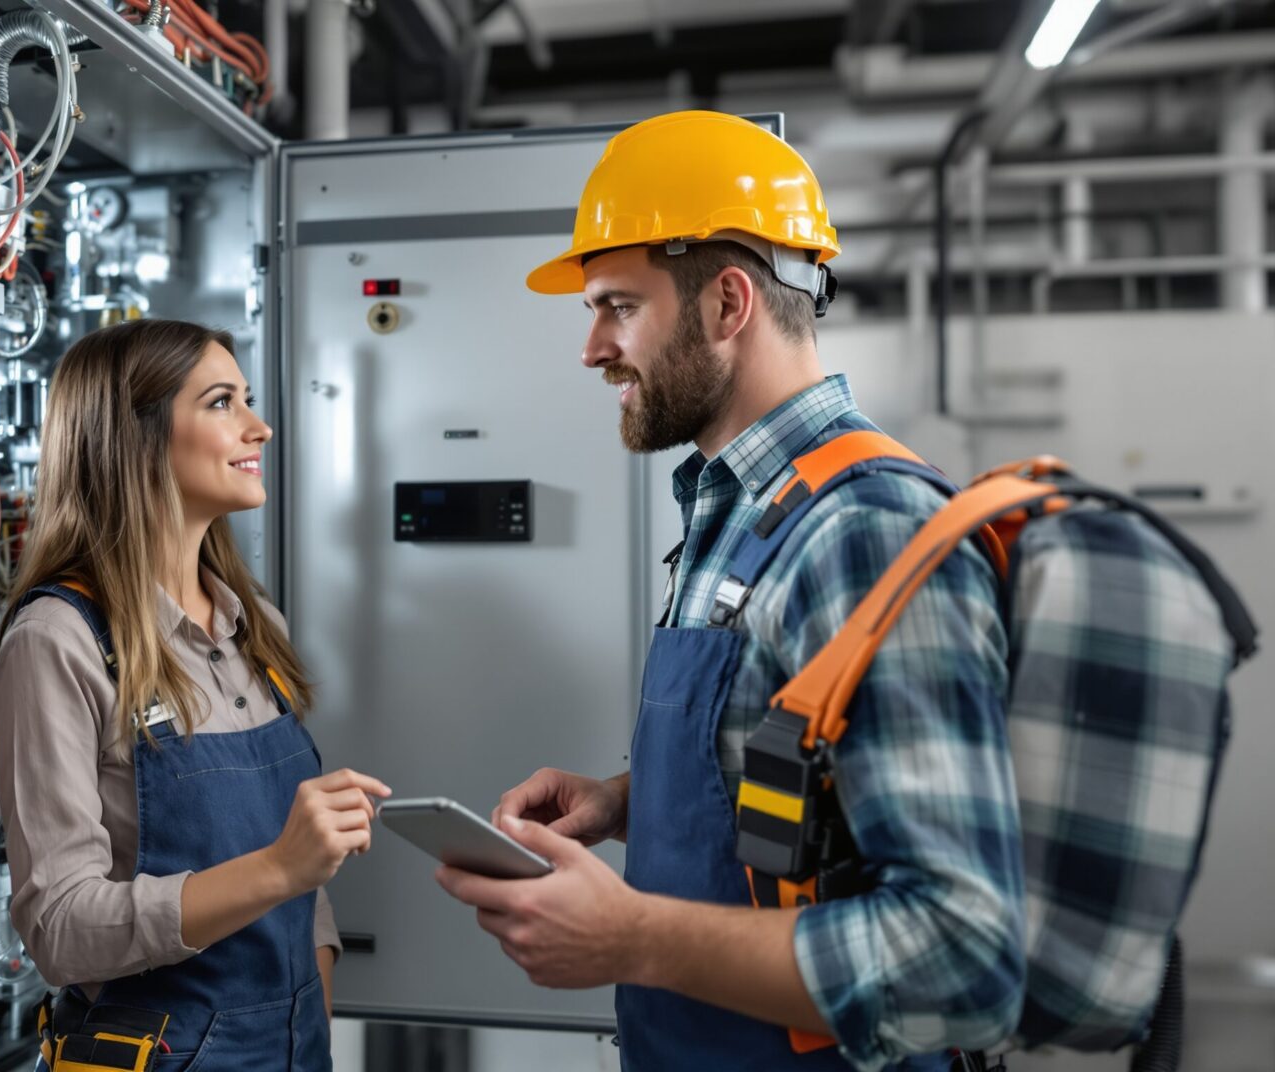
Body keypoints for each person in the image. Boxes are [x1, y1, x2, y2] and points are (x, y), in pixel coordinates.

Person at [436, 110, 1025, 1070]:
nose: (591, 349)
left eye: (617, 306)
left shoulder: (863, 530)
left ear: (727, 304)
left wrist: (632, 938)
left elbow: (960, 958)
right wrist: (633, 801)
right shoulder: (736, 504)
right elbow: (816, 771)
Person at [0, 319, 389, 1071]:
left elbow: (304, 883)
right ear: (135, 439)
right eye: (221, 402)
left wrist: (308, 1017)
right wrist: (276, 870)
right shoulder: (59, 640)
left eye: (248, 400)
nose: (258, 427)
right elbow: (61, 929)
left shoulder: (254, 622)